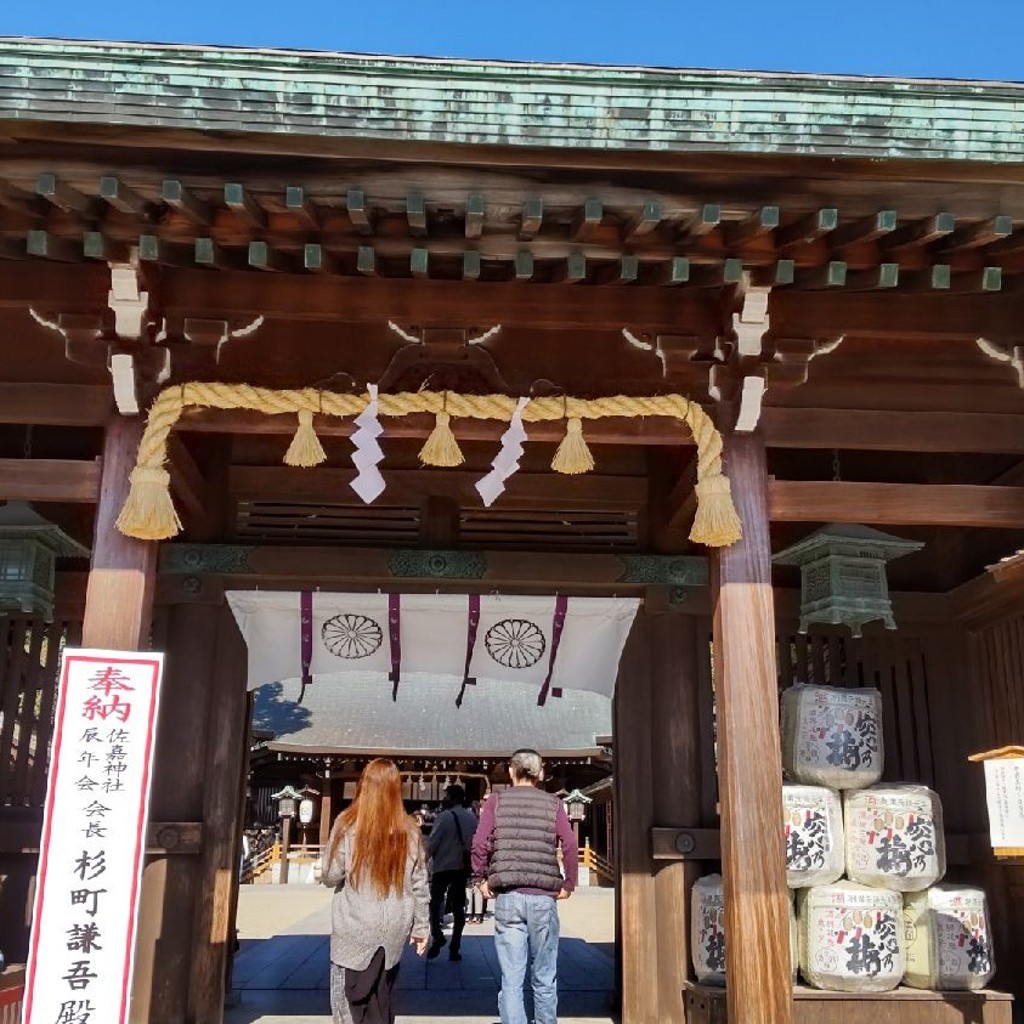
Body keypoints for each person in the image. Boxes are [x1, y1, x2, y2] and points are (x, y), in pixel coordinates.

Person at [472, 749, 578, 1024]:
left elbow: (480, 842)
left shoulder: (496, 801)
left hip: (508, 895)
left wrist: (480, 879)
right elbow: (569, 843)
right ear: (540, 773)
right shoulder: (553, 804)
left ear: (511, 772)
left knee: (511, 978)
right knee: (544, 975)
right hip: (543, 897)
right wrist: (569, 883)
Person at [321, 759, 430, 1024]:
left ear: (363, 786)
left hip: (355, 927)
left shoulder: (347, 825)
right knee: (382, 1003)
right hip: (393, 928)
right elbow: (420, 883)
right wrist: (421, 927)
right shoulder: (409, 830)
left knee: (348, 1006)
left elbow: (330, 874)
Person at [425, 783, 478, 961]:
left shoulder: (444, 817)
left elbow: (432, 843)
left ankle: (437, 935)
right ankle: (455, 945)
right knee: (458, 907)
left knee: (434, 904)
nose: (444, 799)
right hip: (461, 867)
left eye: (447, 796)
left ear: (453, 798)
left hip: (442, 866)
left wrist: (422, 860)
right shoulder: (471, 818)